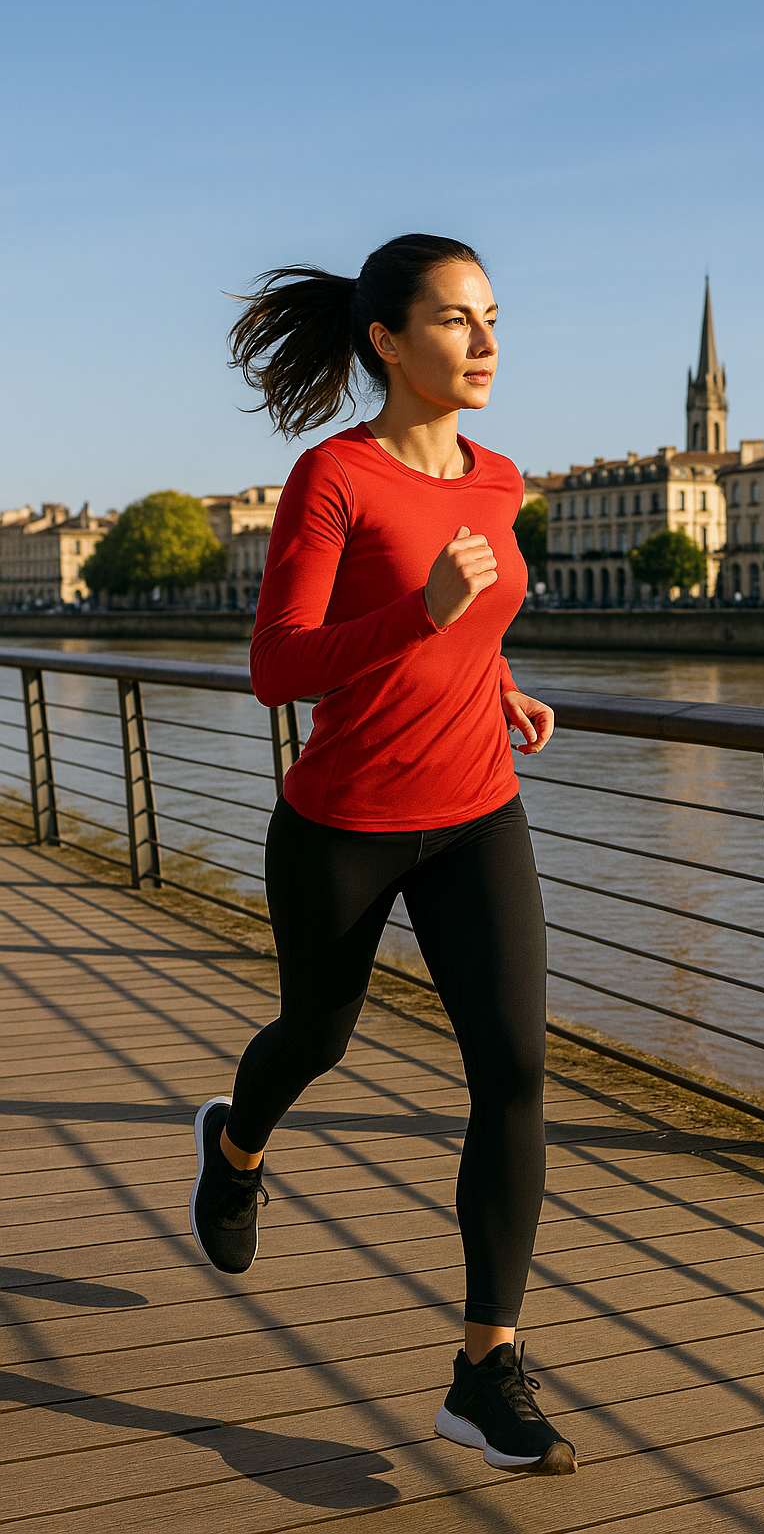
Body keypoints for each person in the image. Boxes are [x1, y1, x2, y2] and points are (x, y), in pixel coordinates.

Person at [188, 234, 575, 1476]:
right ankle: (235, 1149)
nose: (486, 341)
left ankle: (484, 1370)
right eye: (457, 320)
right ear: (388, 341)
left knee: (514, 1071)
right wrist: (422, 616)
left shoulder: (499, 478)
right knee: (318, 1035)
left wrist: (493, 680)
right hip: (343, 825)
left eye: (494, 316)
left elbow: (474, 617)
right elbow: (276, 666)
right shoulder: (333, 477)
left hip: (476, 811)